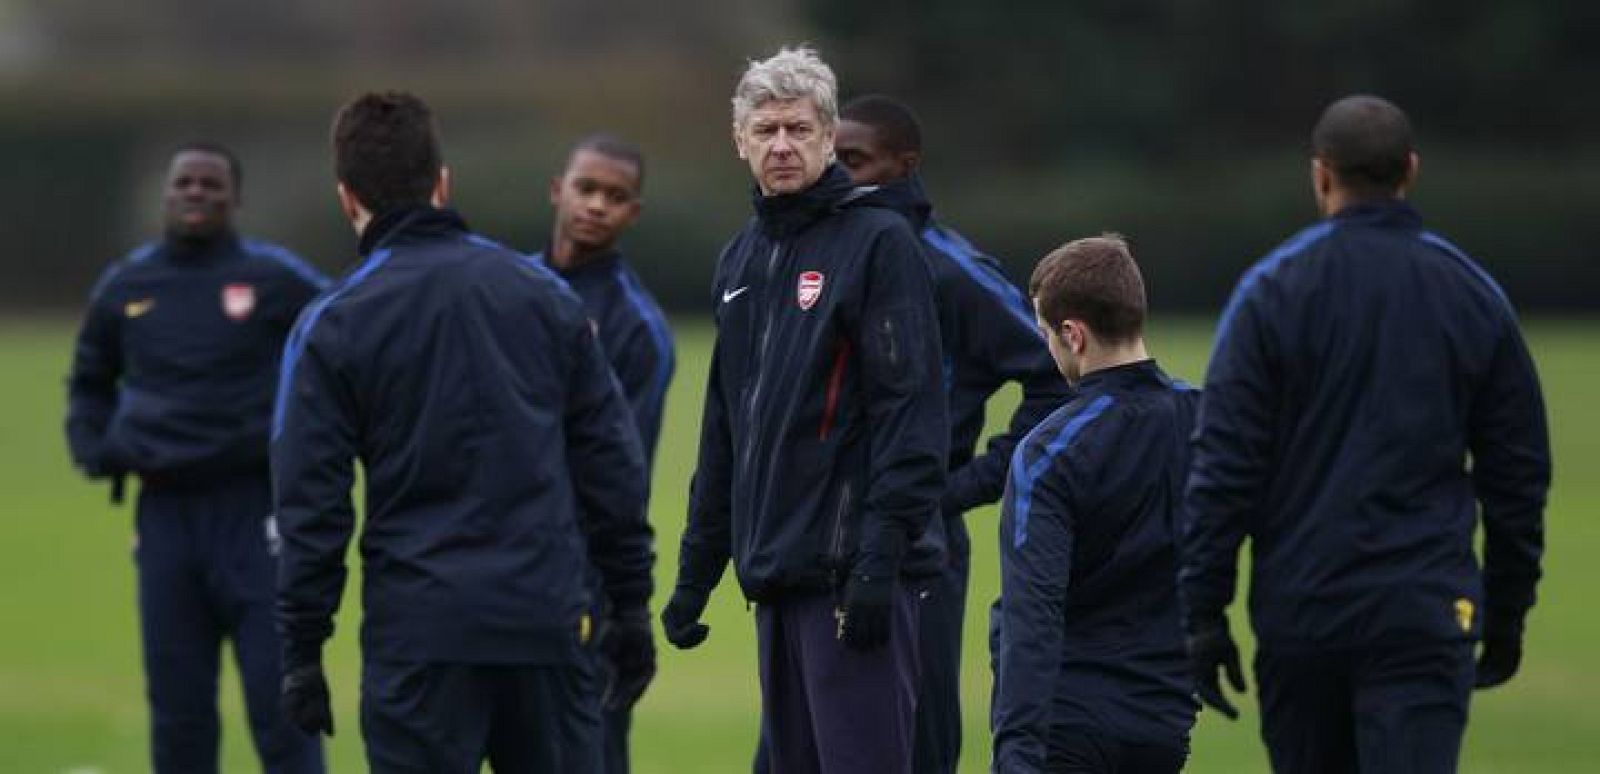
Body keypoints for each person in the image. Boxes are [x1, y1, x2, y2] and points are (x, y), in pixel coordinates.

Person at [272, 91, 655, 772]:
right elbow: (611, 464)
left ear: (346, 197)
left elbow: (311, 501)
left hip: (420, 637)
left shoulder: (333, 322)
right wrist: (630, 609)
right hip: (546, 625)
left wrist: (302, 648)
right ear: (441, 183)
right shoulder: (545, 297)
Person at [1182, 95, 1550, 773]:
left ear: (1321, 175)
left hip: (1302, 615)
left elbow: (1224, 467)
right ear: (1409, 170)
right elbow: (1517, 475)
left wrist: (1203, 613)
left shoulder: (1269, 292)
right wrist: (1506, 609)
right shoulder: (1472, 293)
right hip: (1424, 611)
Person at [661, 47, 948, 774]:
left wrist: (880, 559)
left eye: (797, 128)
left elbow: (909, 416)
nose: (781, 145)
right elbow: (726, 429)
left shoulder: (879, 244)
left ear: (827, 136)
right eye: (765, 131)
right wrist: (697, 574)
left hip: (854, 581)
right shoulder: (741, 260)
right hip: (777, 581)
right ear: (740, 143)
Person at [64, 142, 328, 773]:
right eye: (185, 182)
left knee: (281, 699)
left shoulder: (275, 278)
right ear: (167, 192)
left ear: (235, 198)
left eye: (211, 185)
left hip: (252, 511)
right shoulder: (128, 285)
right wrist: (96, 448)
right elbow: (90, 377)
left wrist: (311, 442)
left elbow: (342, 337)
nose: (196, 194)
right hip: (165, 515)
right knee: (178, 705)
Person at [836, 94, 1074, 774]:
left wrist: (958, 489)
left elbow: (1057, 378)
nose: (839, 177)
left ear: (904, 165)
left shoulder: (949, 267)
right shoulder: (819, 255)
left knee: (919, 741)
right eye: (833, 161)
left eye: (855, 161)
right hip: (815, 542)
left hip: (919, 543)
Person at [990, 235, 1198, 773]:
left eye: (1045, 335)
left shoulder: (1050, 451)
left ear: (1073, 334)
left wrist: (1015, 755)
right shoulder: (1208, 422)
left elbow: (1030, 615)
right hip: (1164, 719)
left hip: (1071, 724)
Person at [531, 133, 676, 774]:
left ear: (633, 213)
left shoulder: (636, 327)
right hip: (493, 567)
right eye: (586, 188)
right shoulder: (505, 289)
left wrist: (620, 597)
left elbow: (622, 469)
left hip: (579, 578)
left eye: (614, 197)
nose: (596, 205)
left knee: (587, 751)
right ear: (557, 189)